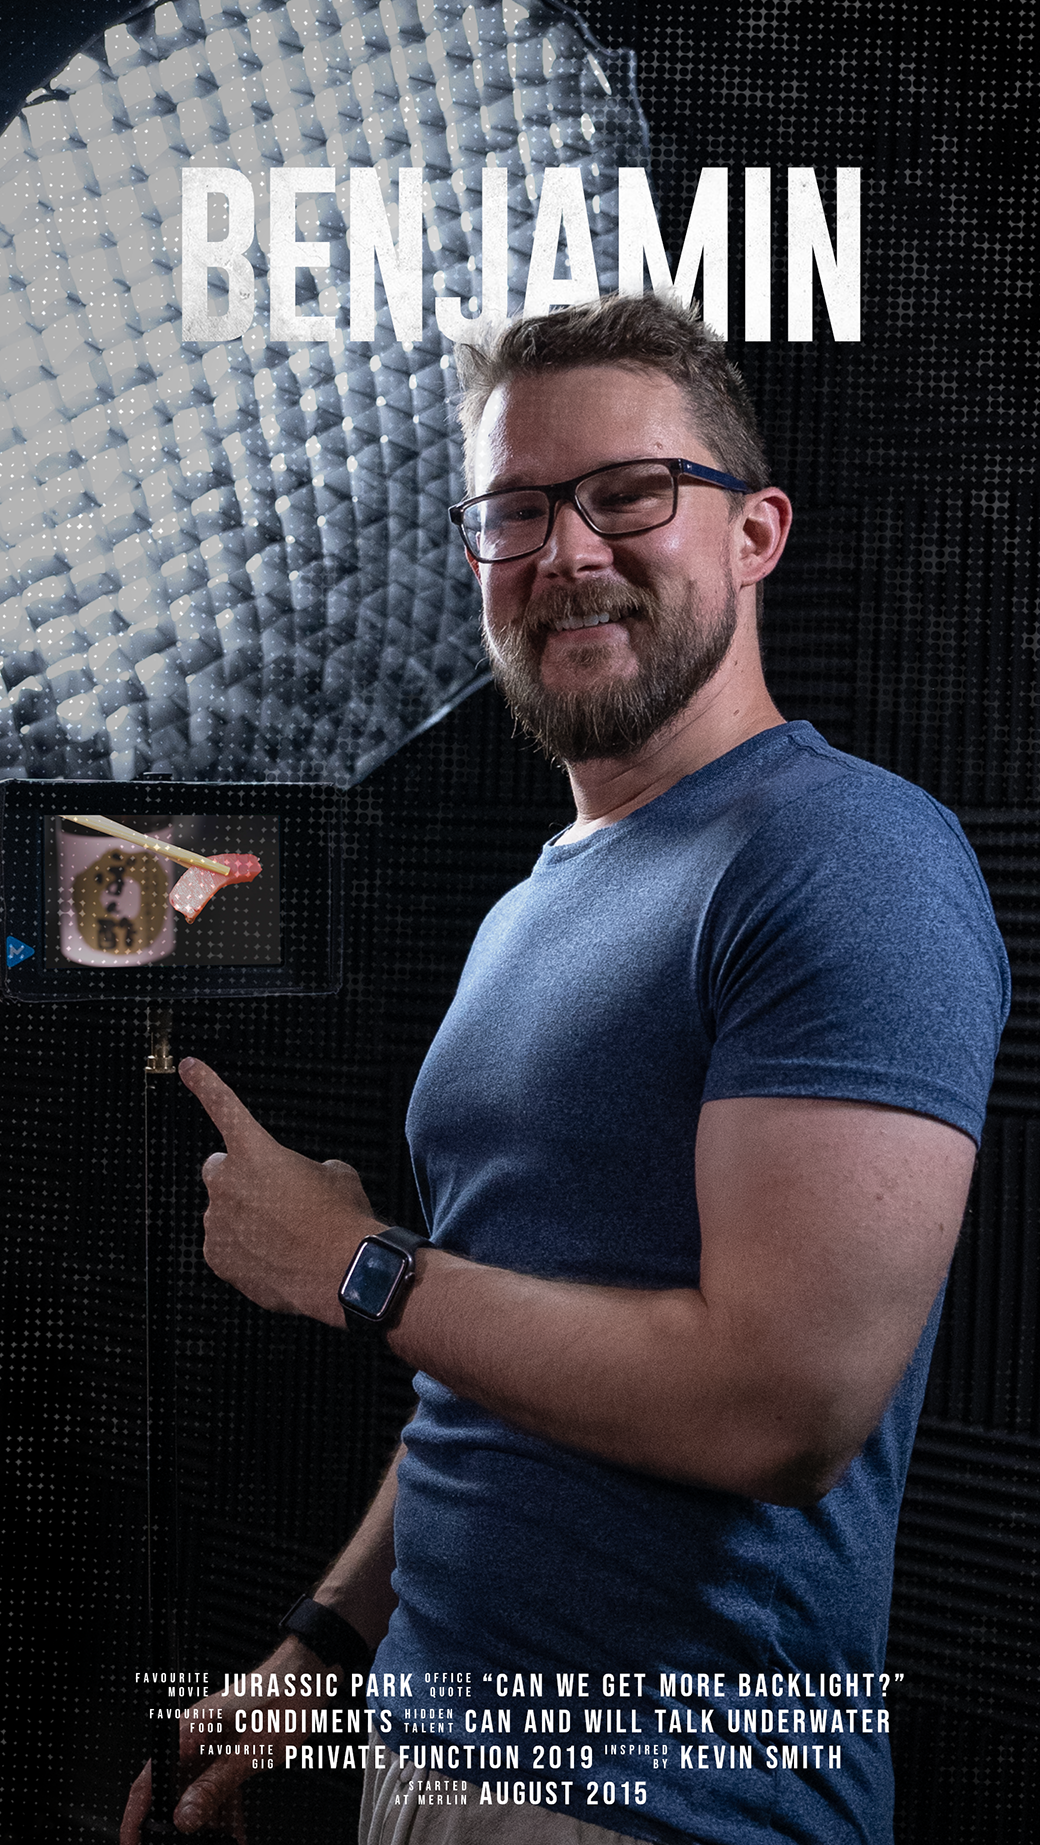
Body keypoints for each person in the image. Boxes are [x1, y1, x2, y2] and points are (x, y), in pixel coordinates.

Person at [121, 294, 1009, 1845]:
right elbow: (502, 1353)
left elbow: (783, 1406)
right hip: (426, 1756)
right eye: (516, 512)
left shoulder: (844, 856)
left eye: (629, 495)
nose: (570, 552)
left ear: (756, 535)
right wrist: (321, 1652)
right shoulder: (537, 899)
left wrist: (358, 1267)